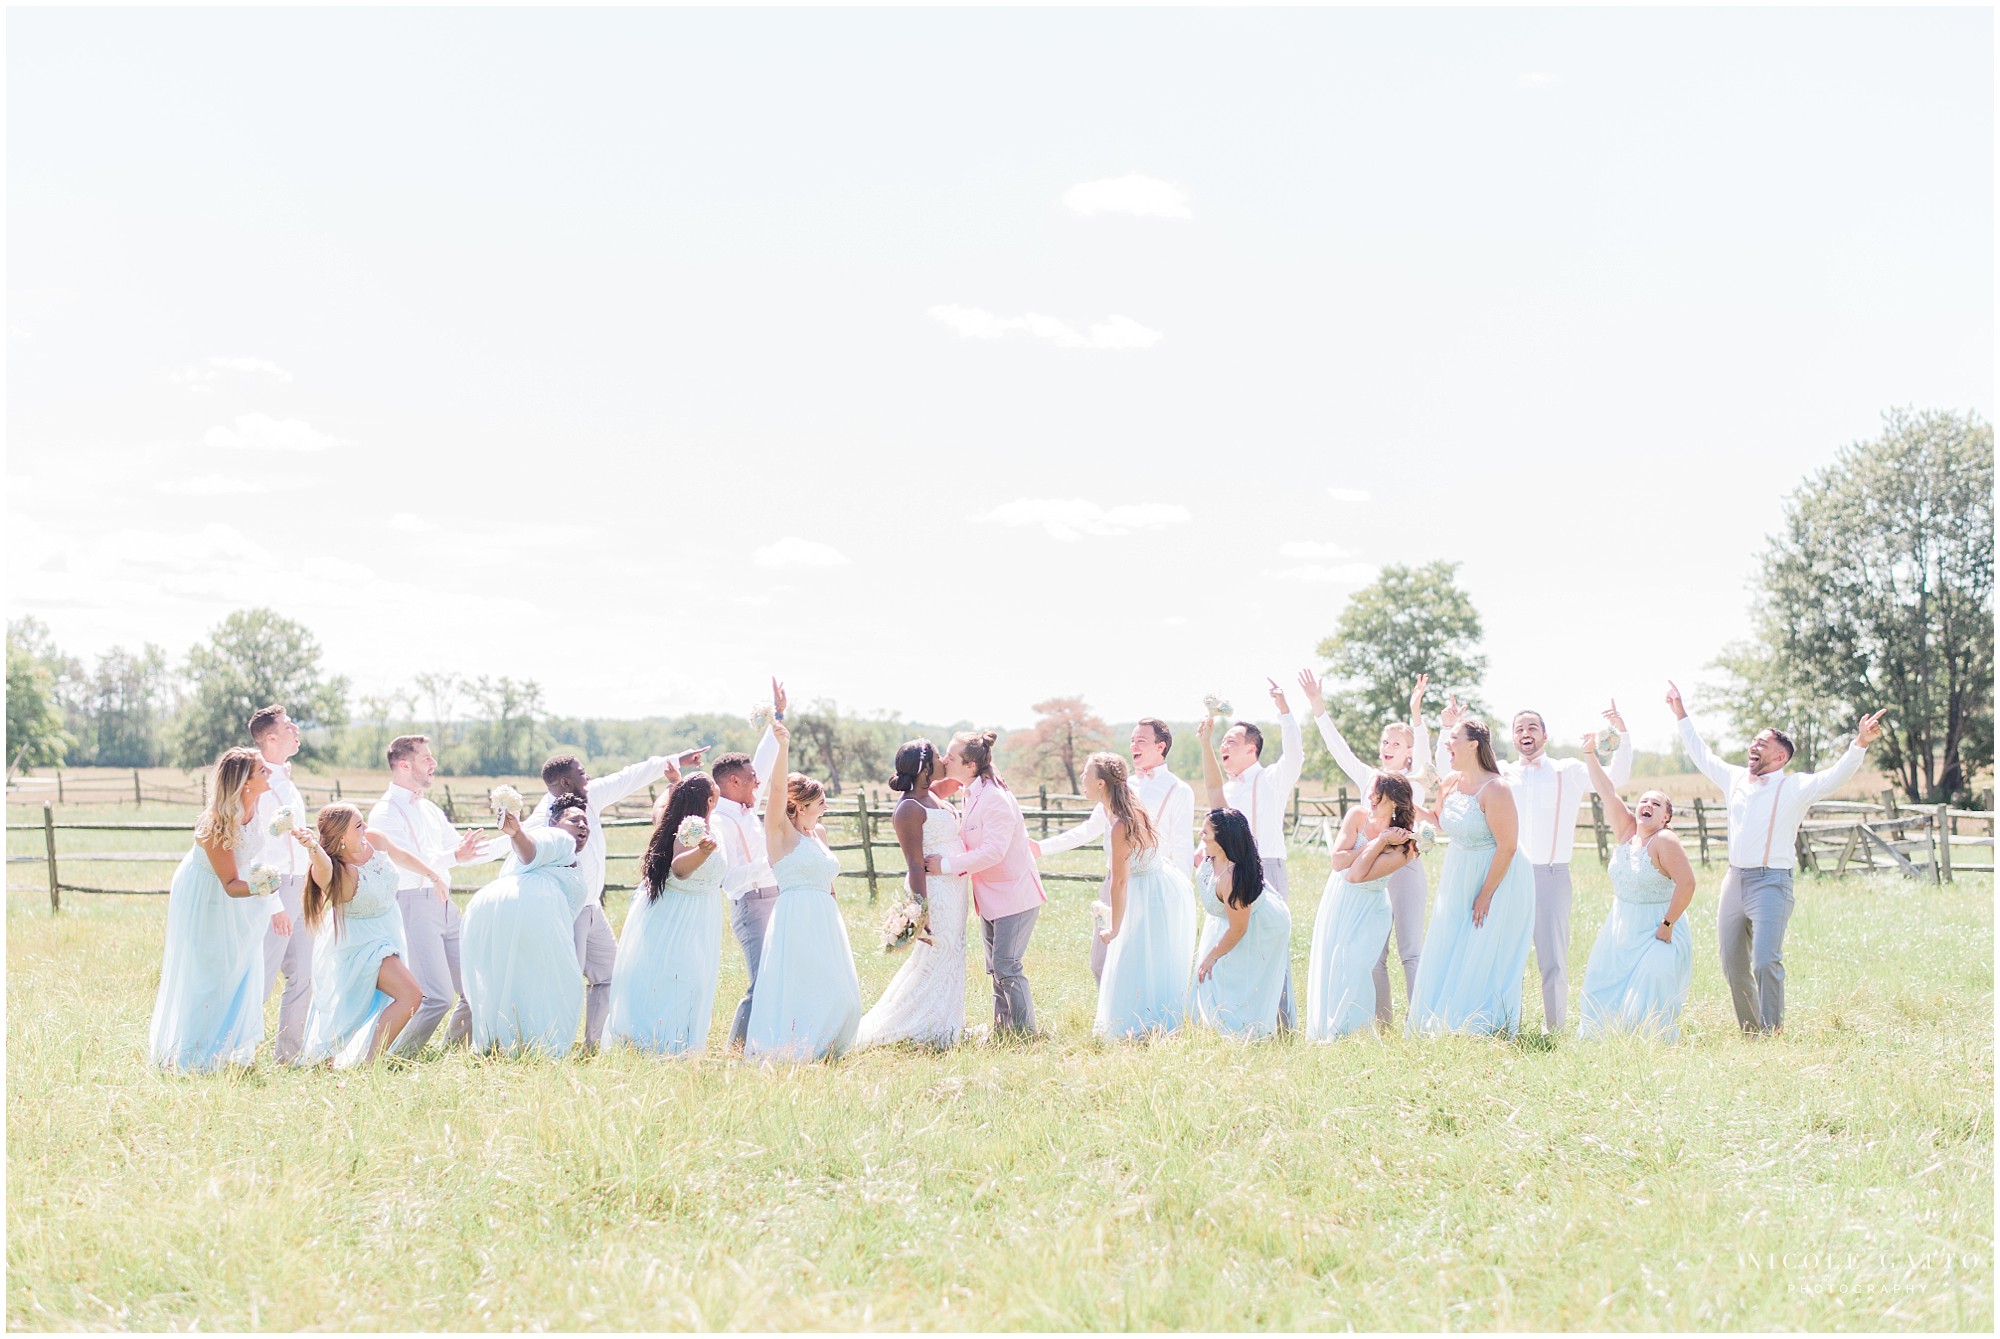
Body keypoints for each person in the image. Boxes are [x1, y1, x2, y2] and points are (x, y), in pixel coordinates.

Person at [1669, 682, 1886, 1033]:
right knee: (1732, 962)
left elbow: (1834, 777)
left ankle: (1773, 1031)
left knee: (1765, 960)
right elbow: (1702, 753)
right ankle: (1752, 1032)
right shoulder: (1735, 778)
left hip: (1772, 883)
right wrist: (1681, 714)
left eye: (1761, 744)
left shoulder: (1795, 787)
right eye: (1753, 741)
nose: (1752, 746)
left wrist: (1858, 744)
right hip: (1734, 881)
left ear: (1780, 757)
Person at [1436, 695, 1633, 1032]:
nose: (1525, 733)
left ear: (1544, 736)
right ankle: (1496, 1022)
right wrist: (1446, 730)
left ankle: (1553, 1028)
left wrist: (1622, 736)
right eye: (1519, 729)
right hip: (1505, 873)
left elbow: (1617, 779)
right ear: (1512, 738)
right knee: (1497, 951)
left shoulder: (1567, 770)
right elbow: (1448, 772)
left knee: (1552, 957)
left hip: (1550, 875)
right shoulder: (1498, 774)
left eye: (1532, 728)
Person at [512, 745, 705, 1051]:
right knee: (565, 982)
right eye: (581, 772)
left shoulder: (592, 795)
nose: (587, 776)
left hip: (591, 909)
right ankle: (550, 1046)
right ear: (565, 782)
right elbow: (523, 848)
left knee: (610, 975)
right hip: (566, 909)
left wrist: (674, 760)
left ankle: (593, 1044)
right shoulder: (544, 818)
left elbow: (628, 776)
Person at [1298, 670, 1431, 1025]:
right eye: (1385, 742)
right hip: (1365, 872)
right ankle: (1382, 1024)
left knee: (1411, 951)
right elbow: (1338, 749)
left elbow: (1425, 751)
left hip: (1403, 867)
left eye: (1396, 744)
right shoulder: (1369, 779)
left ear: (1409, 753)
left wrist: (1416, 714)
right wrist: (1318, 707)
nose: (1387, 748)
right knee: (1375, 954)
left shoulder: (1416, 782)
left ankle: (1417, 1023)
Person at [148, 748, 291, 1071]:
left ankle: (225, 1049)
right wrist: (265, 887)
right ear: (245, 783)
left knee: (240, 967)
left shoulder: (259, 805)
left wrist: (270, 899)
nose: (269, 773)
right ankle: (191, 1056)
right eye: (262, 771)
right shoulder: (216, 824)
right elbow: (230, 884)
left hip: (241, 890)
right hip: (208, 894)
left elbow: (250, 862)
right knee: (210, 972)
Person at [1031, 717, 1196, 982]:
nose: (1133, 745)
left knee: (1141, 963)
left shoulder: (1180, 790)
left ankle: (1143, 1022)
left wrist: (1181, 892)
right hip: (1112, 882)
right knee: (1102, 962)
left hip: (1152, 887)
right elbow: (1088, 829)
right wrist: (1040, 848)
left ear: (1161, 746)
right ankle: (1109, 1020)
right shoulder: (1121, 785)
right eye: (1131, 740)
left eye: (1141, 740)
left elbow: (1182, 845)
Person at [1406, 717, 1536, 1037]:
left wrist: (1486, 893)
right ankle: (1443, 1019)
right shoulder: (1450, 781)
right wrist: (1405, 801)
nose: (1448, 744)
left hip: (1497, 875)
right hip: (1457, 872)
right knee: (1450, 941)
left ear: (1473, 744)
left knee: (1481, 946)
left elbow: (1506, 846)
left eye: (1453, 738)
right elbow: (1438, 820)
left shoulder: (1497, 788)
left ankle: (1477, 1024)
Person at [743, 721, 863, 1062]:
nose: (824, 808)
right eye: (820, 802)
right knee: (803, 986)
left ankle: (828, 1048)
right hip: (796, 917)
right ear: (800, 805)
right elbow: (778, 792)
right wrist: (782, 748)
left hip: (826, 920)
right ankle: (799, 1050)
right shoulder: (780, 833)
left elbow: (829, 882)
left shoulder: (818, 834)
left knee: (843, 994)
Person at [293, 803, 445, 1066]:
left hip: (388, 930)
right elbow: (322, 865)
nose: (366, 828)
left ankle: (350, 1062)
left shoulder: (373, 840)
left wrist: (432, 874)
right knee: (409, 995)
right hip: (361, 945)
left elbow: (402, 855)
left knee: (369, 1008)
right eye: (358, 825)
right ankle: (368, 1064)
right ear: (342, 836)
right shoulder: (335, 871)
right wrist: (312, 847)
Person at [367, 735, 490, 1056]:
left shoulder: (431, 809)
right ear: (404, 765)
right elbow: (403, 862)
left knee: (475, 989)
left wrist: (517, 836)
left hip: (443, 902)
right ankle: (395, 1058)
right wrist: (453, 857)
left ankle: (450, 1054)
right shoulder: (385, 812)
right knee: (435, 996)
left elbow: (462, 852)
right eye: (426, 758)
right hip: (411, 903)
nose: (434, 763)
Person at [924, 730, 1048, 1036]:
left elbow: (994, 851)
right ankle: (1002, 1030)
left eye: (950, 757)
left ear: (969, 765)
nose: (944, 760)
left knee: (1006, 965)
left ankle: (1024, 1034)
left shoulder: (994, 798)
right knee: (995, 969)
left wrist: (947, 866)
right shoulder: (971, 790)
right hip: (991, 896)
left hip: (1014, 894)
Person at [1572, 737, 1697, 1042]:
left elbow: (1688, 883)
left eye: (1656, 804)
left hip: (1658, 929)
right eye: (1644, 800)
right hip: (1620, 927)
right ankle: (1607, 1043)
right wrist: (1589, 753)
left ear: (1666, 817)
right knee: (1602, 985)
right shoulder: (1627, 831)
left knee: (1649, 986)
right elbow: (1605, 791)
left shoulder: (1665, 841)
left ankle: (1648, 1045)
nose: (1648, 805)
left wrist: (1667, 925)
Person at [857, 739, 970, 1049]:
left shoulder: (932, 795)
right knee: (937, 952)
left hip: (954, 888)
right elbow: (914, 864)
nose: (943, 760)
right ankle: (920, 1025)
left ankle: (948, 1022)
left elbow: (966, 777)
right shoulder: (909, 808)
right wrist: (921, 910)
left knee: (953, 952)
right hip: (934, 892)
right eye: (937, 757)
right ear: (924, 768)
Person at [459, 798, 593, 1058]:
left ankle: (500, 1048)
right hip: (530, 906)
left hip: (494, 906)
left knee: (512, 981)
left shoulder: (565, 856)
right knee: (560, 983)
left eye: (586, 821)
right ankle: (542, 1051)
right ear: (554, 822)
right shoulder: (556, 838)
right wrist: (517, 833)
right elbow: (530, 850)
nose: (582, 825)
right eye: (574, 820)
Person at [604, 774, 727, 1056]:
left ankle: (682, 1043)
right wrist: (703, 853)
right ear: (710, 799)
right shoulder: (690, 828)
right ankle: (660, 1045)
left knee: (695, 979)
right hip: (677, 914)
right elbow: (681, 869)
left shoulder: (704, 821)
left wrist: (674, 783)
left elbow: (659, 807)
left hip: (702, 913)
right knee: (676, 978)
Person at [1199, 697, 1301, 1029]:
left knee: (1272, 947)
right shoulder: (1227, 789)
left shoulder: (1272, 779)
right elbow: (1213, 786)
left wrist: (1285, 712)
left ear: (1252, 749)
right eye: (1223, 740)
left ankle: (1281, 1023)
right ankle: (1237, 1018)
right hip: (1228, 872)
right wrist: (1205, 743)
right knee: (1238, 947)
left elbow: (1295, 757)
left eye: (1232, 740)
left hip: (1267, 867)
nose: (1225, 744)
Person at [1088, 752, 1198, 1039]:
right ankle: (1148, 1025)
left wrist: (1115, 928)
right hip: (1155, 886)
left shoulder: (1120, 824)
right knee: (1143, 960)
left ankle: (1138, 1027)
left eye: (1086, 775)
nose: (1082, 781)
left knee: (1132, 958)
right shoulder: (1125, 809)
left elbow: (1119, 882)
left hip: (1149, 892)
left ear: (1101, 784)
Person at [1306, 775, 1421, 1041]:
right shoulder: (1357, 815)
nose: (1370, 797)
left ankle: (1355, 1032)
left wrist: (1380, 843)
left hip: (1371, 907)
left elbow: (1356, 874)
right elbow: (1337, 862)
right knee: (1334, 963)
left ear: (1394, 801)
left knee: (1357, 966)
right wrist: (1379, 841)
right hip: (1340, 898)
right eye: (1370, 791)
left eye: (1377, 794)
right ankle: (1330, 1029)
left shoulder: (1406, 847)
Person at [714, 678, 786, 1048]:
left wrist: (778, 715)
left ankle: (771, 1041)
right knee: (761, 980)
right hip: (750, 904)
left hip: (775, 897)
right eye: (751, 778)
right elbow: (727, 880)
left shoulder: (746, 807)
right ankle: (735, 1049)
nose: (758, 780)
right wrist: (768, 863)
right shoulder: (719, 821)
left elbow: (766, 757)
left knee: (781, 975)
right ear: (732, 781)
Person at [248, 704, 314, 1063]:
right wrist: (273, 904)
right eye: (290, 726)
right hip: (272, 890)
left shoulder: (288, 781)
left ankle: (288, 1056)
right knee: (261, 974)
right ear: (271, 738)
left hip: (302, 886)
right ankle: (237, 1051)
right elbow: (254, 850)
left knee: (305, 972)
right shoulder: (256, 782)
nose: (296, 730)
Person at [1188, 809, 1290, 1039]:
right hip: (1230, 920)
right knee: (1216, 974)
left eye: (1206, 831)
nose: (1201, 834)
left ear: (1223, 838)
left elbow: (1238, 929)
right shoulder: (1209, 855)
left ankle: (1244, 1032)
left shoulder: (1232, 879)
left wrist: (1212, 956)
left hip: (1260, 926)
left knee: (1239, 977)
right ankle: (1216, 1028)